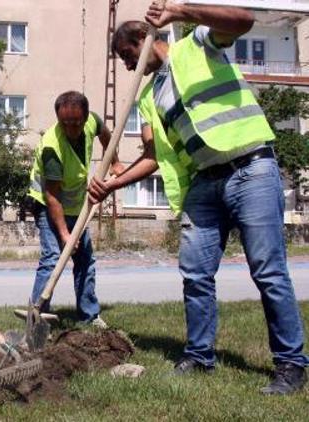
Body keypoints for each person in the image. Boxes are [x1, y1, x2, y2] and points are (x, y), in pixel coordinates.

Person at [88, 1, 308, 394]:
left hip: (250, 168)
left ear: (145, 38)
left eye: (127, 55)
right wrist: (112, 185)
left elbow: (244, 20)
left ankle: (291, 364)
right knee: (195, 274)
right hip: (204, 186)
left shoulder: (199, 43)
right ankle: (199, 356)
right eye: (122, 60)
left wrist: (182, 11)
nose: (126, 66)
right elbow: (154, 158)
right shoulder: (149, 98)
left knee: (268, 271)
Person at [28, 91, 122, 327]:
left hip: (77, 205)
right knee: (52, 258)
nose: (71, 129)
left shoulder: (92, 121)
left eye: (76, 124)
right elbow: (52, 196)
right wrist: (65, 234)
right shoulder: (52, 147)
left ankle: (89, 315)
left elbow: (105, 134)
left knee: (85, 260)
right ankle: (36, 317)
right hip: (49, 205)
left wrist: (115, 161)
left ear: (85, 117)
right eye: (65, 124)